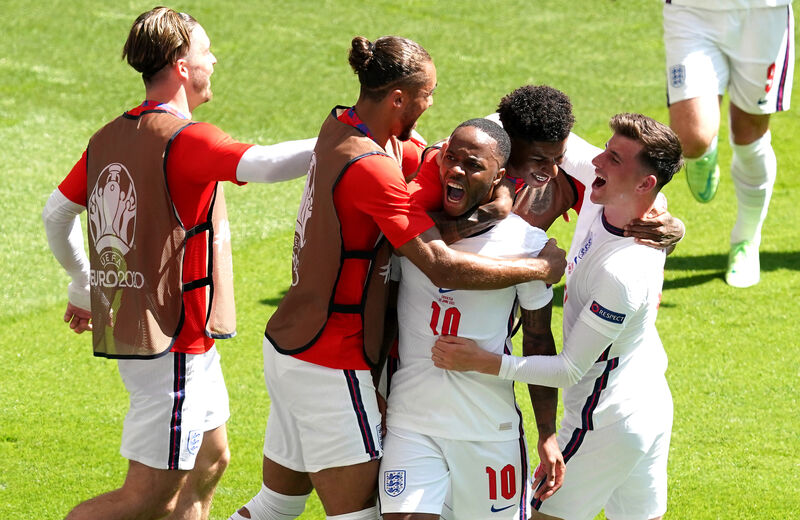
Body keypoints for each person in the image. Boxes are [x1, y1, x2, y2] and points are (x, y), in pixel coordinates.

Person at [230, 36, 566, 520]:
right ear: (399, 98)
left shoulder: (343, 128)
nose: (431, 105)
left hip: (290, 344)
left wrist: (494, 200)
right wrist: (542, 267)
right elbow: (440, 264)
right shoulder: (376, 168)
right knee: (358, 514)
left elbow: (440, 165)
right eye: (427, 94)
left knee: (276, 505)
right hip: (332, 358)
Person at [41, 7, 314, 520]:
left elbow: (55, 215)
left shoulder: (109, 137)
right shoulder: (185, 139)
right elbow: (265, 161)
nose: (215, 59)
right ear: (182, 65)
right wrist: (347, 141)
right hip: (173, 348)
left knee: (211, 461)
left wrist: (84, 284)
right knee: (146, 496)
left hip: (168, 341)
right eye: (206, 50)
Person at [432, 113, 683, 520]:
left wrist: (482, 361)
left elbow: (568, 370)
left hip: (603, 420)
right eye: (605, 149)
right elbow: (533, 128)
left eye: (614, 158)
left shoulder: (623, 274)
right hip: (647, 401)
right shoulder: (627, 200)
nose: (597, 161)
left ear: (645, 184)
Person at [379, 118, 562, 520]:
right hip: (412, 423)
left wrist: (547, 433)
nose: (456, 170)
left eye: (473, 164)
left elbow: (538, 341)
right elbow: (386, 316)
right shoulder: (412, 230)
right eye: (451, 158)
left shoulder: (525, 243)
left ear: (500, 176)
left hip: (486, 431)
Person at [663, 0, 794, 287]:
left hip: (764, 13)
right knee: (691, 138)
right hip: (692, 11)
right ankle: (703, 149)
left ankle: (746, 239)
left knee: (749, 135)